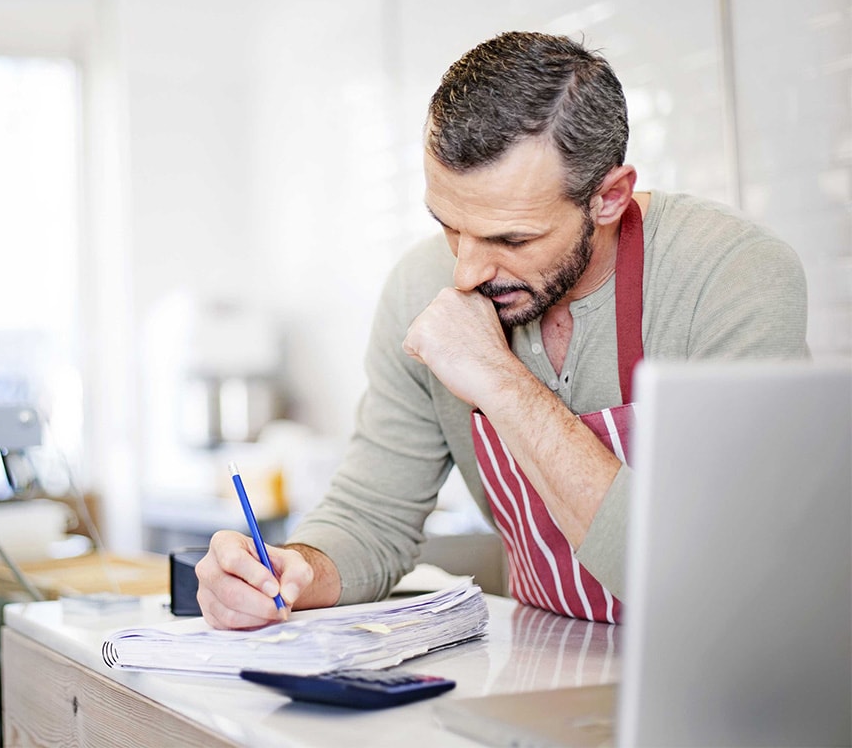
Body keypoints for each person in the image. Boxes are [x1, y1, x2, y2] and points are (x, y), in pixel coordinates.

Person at [196, 31, 808, 628]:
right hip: (549, 670)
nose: (466, 272)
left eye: (511, 239)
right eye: (450, 226)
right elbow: (371, 517)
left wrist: (496, 377)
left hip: (721, 666)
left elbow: (706, 578)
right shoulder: (420, 289)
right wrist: (292, 570)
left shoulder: (731, 276)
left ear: (610, 197)